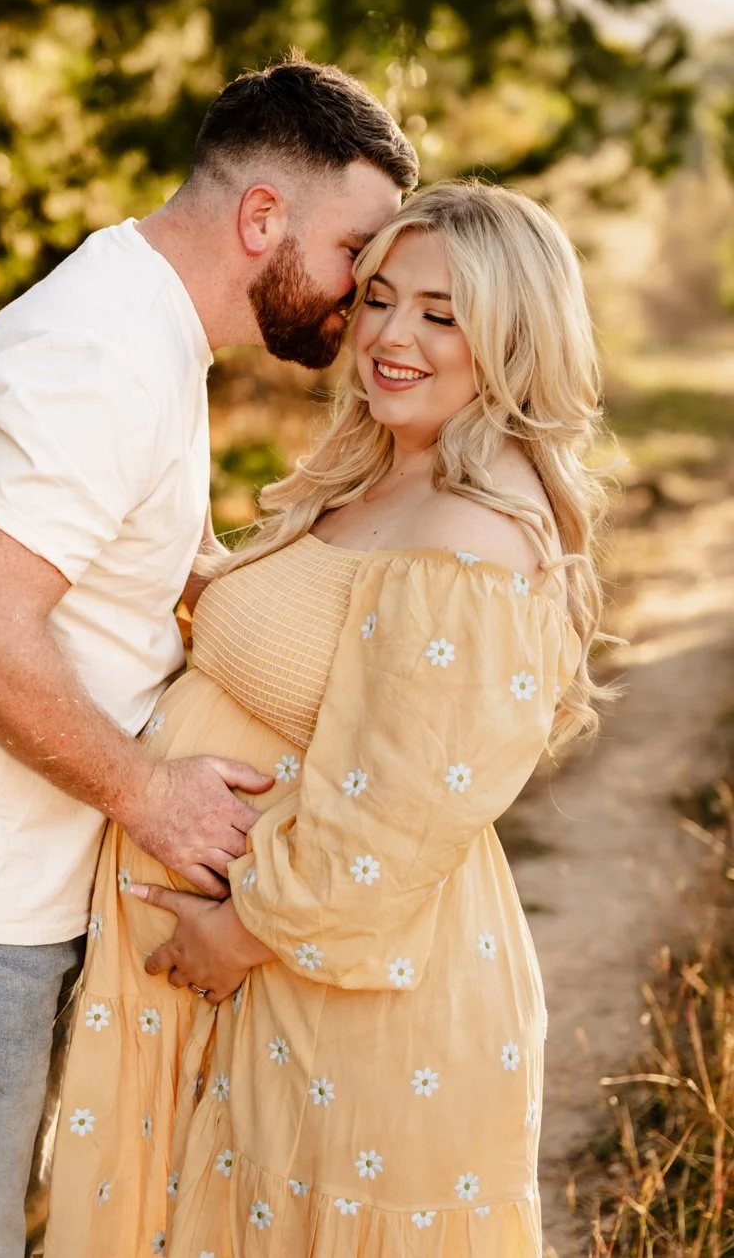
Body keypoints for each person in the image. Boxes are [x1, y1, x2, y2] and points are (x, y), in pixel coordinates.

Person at [0, 55, 417, 1258]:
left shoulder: (149, 333)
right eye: (353, 254)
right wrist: (149, 794)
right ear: (262, 216)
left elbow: (145, 579)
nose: (361, 293)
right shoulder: (104, 353)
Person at [43, 180, 611, 1258]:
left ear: (514, 333)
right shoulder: (389, 472)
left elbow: (395, 816)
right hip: (285, 991)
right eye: (382, 298)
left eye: (442, 314)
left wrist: (237, 932)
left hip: (358, 1007)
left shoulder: (476, 532)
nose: (391, 337)